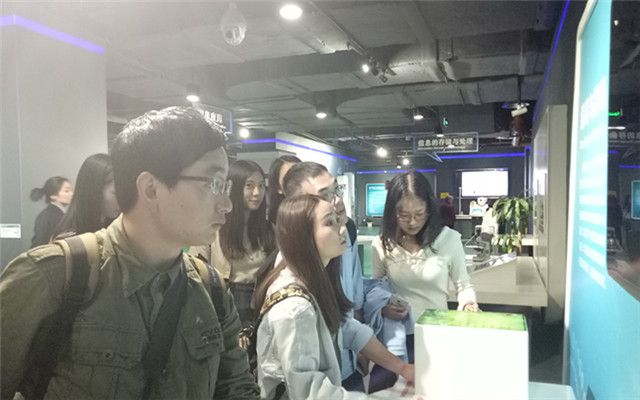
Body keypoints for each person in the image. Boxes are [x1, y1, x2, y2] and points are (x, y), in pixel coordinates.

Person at [0, 107, 259, 399]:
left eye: (225, 186)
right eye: (214, 184)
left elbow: (237, 389)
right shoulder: (55, 276)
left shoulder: (211, 290)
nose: (227, 204)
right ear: (150, 189)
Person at [254, 195, 414, 399]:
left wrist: (402, 368)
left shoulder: (315, 280)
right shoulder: (295, 308)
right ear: (303, 236)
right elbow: (309, 392)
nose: (342, 229)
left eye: (339, 220)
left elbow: (346, 327)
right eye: (330, 222)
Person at [369, 170, 479, 391]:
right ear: (392, 212)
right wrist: (383, 308)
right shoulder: (382, 243)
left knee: (434, 390)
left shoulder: (448, 239)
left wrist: (469, 303)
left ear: (430, 209)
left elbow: (463, 285)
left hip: (436, 334)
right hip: (396, 338)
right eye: (403, 215)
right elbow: (375, 289)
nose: (412, 222)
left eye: (419, 214)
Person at [281, 162, 367, 391]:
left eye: (335, 190)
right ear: (298, 208)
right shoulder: (294, 299)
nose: (336, 201)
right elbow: (308, 389)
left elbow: (347, 306)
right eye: (324, 195)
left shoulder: (340, 239)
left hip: (345, 365)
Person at [196, 159, 275, 326]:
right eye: (249, 185)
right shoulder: (214, 228)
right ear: (235, 188)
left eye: (261, 185)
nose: (257, 192)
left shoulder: (270, 229)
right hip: (224, 302)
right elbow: (196, 270)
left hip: (261, 302)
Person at [52, 153, 120, 239]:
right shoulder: (69, 237)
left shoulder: (111, 226)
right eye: (116, 193)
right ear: (95, 190)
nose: (121, 200)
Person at [30, 176, 73, 247]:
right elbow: (41, 244)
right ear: (53, 195)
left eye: (71, 191)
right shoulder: (47, 216)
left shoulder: (56, 214)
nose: (72, 194)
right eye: (66, 191)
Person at [267, 155, 301, 226]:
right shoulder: (274, 225)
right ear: (278, 188)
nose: (297, 182)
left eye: (300, 175)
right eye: (288, 178)